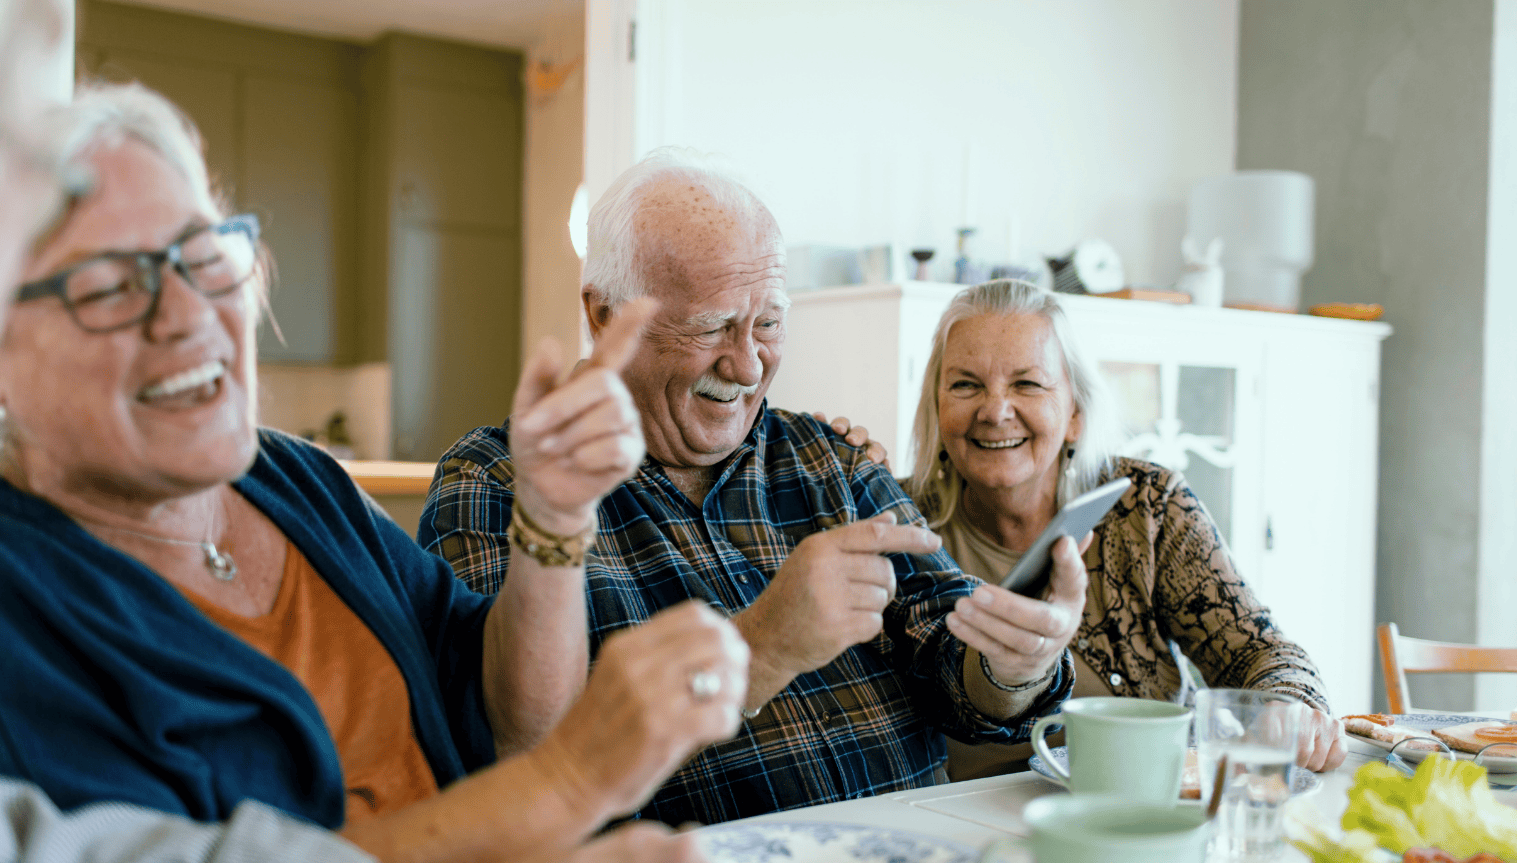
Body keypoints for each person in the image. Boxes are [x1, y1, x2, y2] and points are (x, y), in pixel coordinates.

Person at [0, 2, 720, 863]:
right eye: (110, 285)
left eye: (202, 257)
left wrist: (556, 518)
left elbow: (505, 720)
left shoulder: (295, 481)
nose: (186, 313)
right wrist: (572, 784)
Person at [421, 150, 1089, 826]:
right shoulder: (499, 482)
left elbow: (959, 669)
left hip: (915, 861)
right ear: (602, 315)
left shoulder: (831, 460)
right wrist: (762, 646)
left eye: (768, 323)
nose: (747, 364)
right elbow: (526, 762)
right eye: (710, 325)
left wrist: (1016, 662)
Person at [902, 278, 1346, 777]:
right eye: (965, 384)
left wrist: (1290, 704)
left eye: (1027, 384)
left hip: (1151, 798)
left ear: (1075, 413)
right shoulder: (896, 524)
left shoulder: (1148, 505)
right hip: (965, 815)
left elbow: (1258, 650)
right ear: (937, 409)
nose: (995, 410)